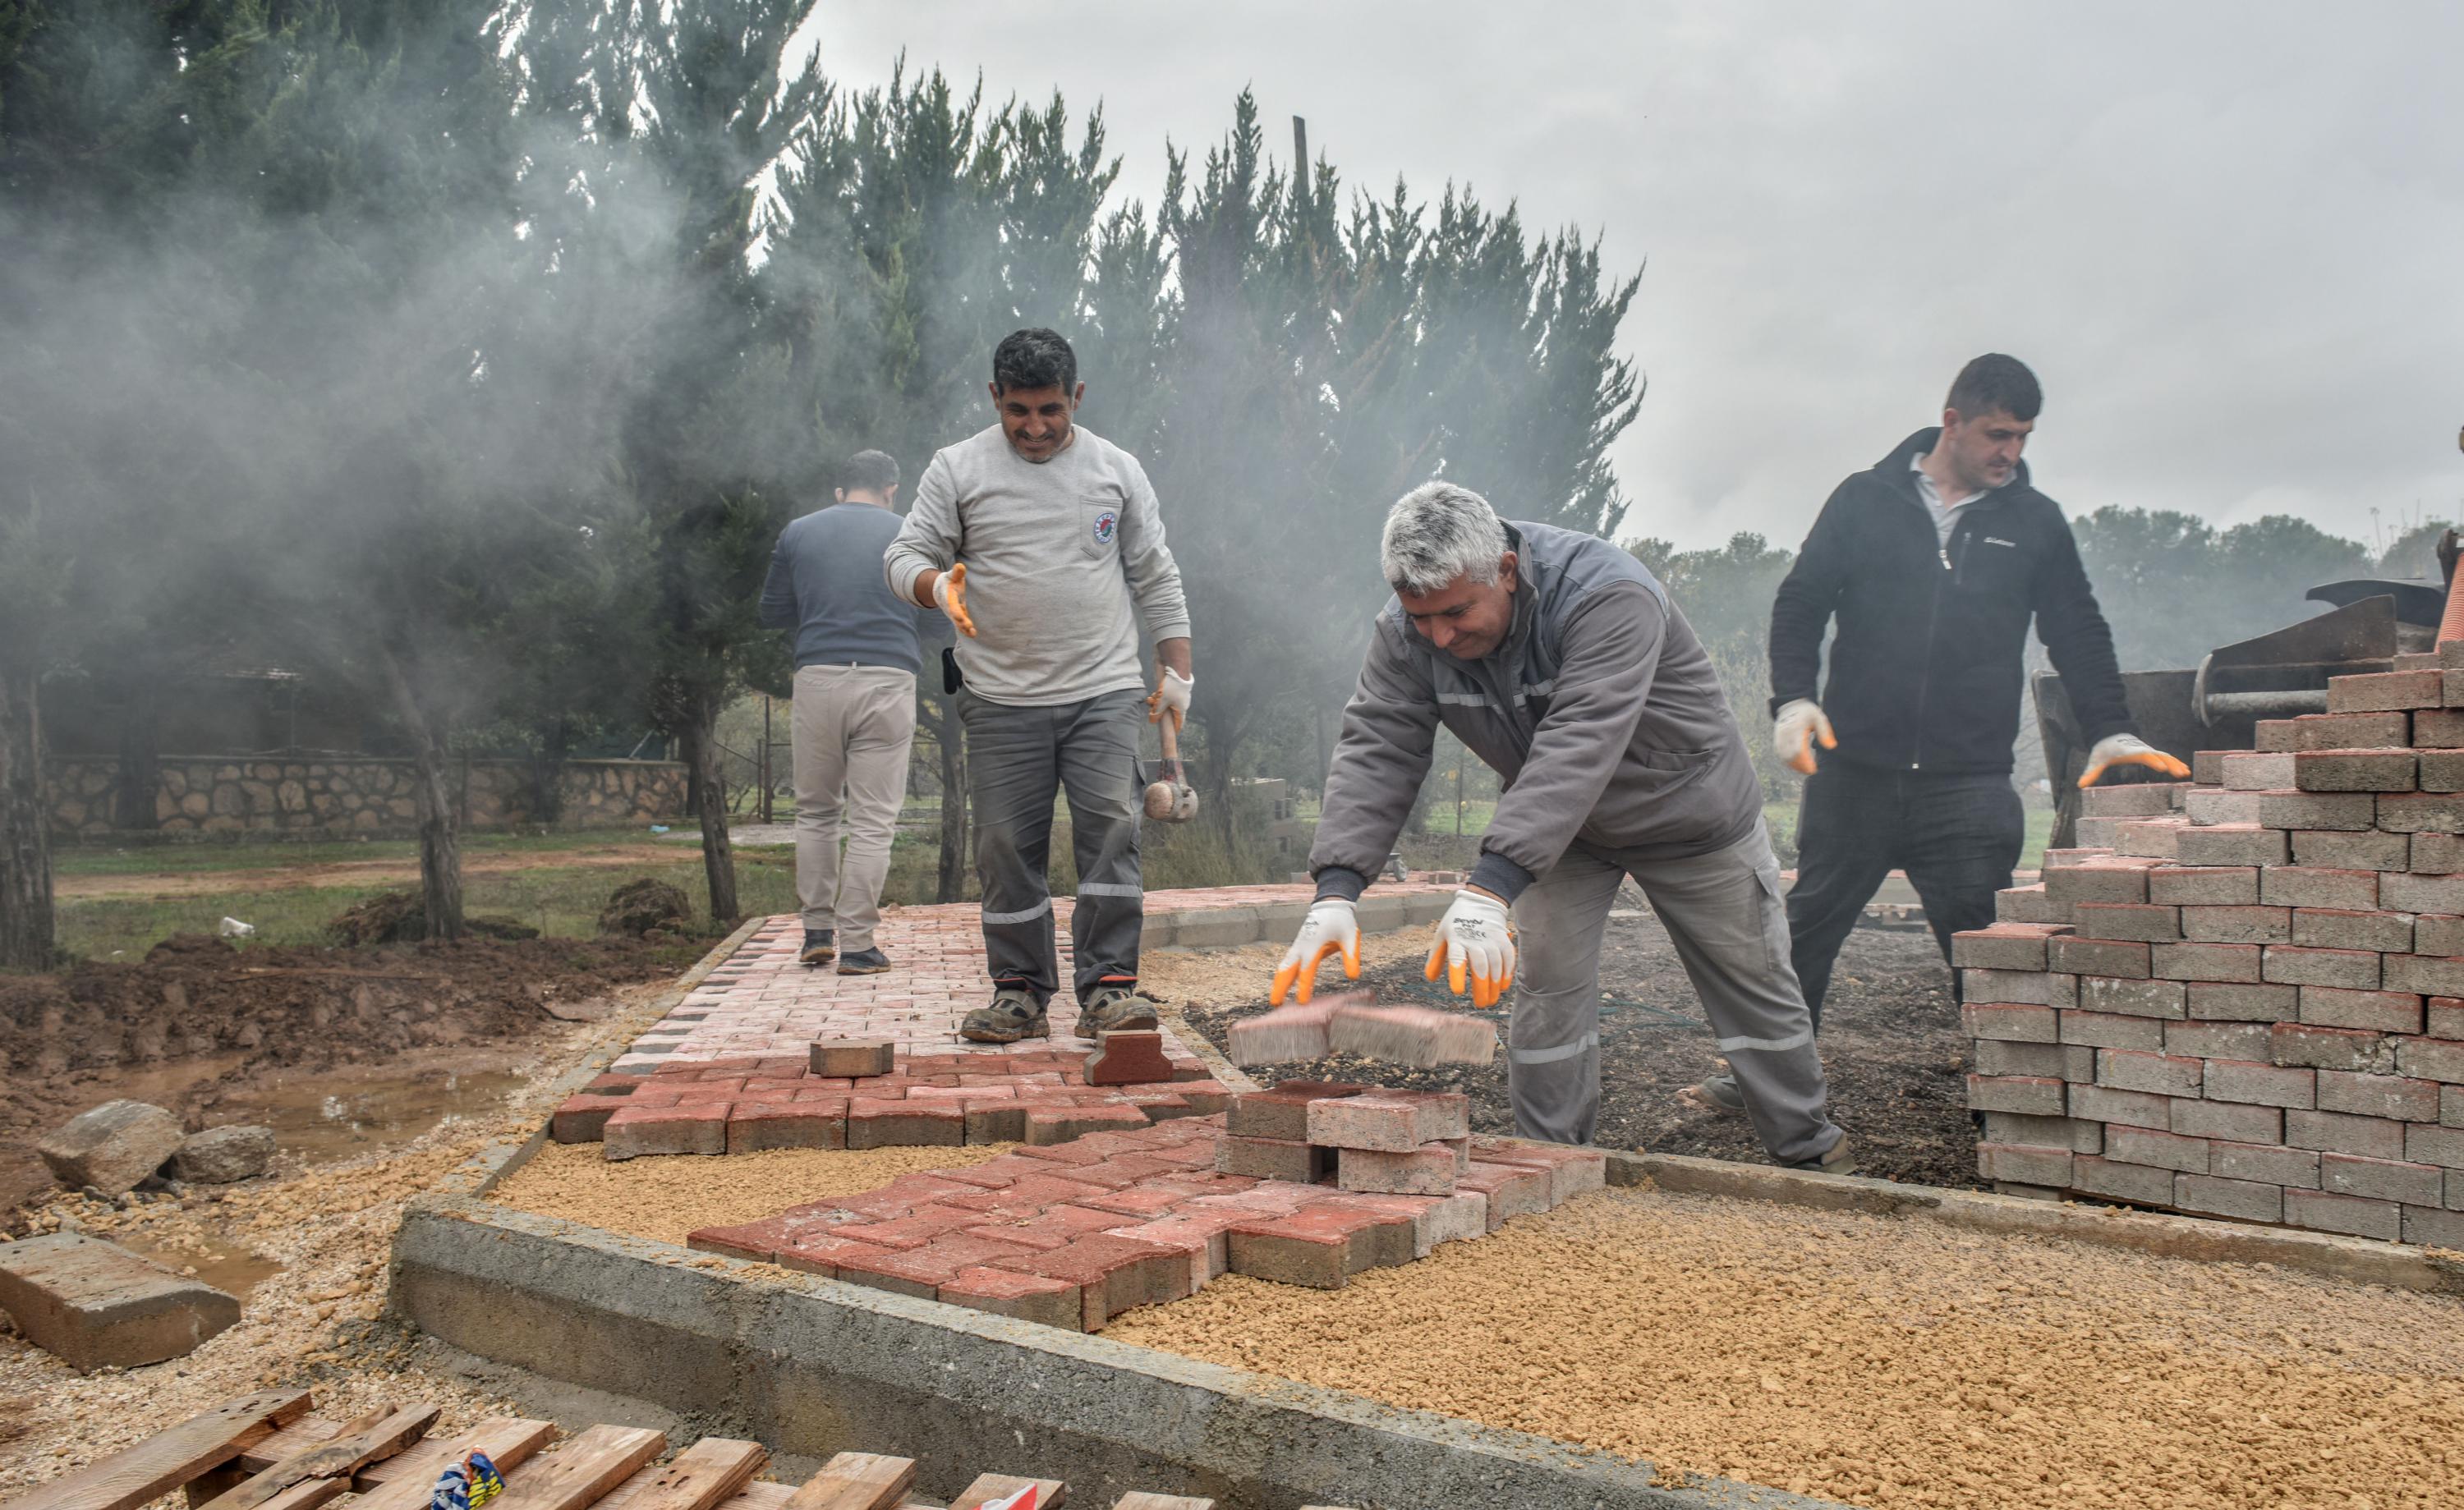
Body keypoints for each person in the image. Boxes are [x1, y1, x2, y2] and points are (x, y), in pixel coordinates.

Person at [1272, 481, 1851, 1170]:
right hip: (1562, 831)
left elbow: (1580, 740)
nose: (1440, 637)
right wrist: (1337, 887)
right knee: (1547, 990)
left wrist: (1488, 889)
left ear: (1508, 573)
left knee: (1753, 983)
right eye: (1421, 618)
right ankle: (1547, 1162)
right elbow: (1379, 745)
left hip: (1689, 811)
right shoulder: (1408, 632)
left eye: (1457, 613)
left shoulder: (1607, 595)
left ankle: (1811, 1154)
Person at [1702, 354, 2186, 1113]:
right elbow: (1800, 603)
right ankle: (1762, 1082)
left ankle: (2020, 1098)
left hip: (1967, 783)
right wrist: (1792, 701)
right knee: (1803, 939)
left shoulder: (2034, 522)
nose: (2012, 453)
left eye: (2024, 438)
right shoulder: (1864, 500)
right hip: (1852, 772)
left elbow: (2079, 630)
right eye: (1999, 434)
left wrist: (2110, 729)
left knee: (1986, 950)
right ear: (1953, 422)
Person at [883, 328, 1194, 1043]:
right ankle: (1018, 991)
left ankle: (1111, 989)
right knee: (1001, 846)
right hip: (998, 698)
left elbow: (1156, 574)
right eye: (1018, 409)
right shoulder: (957, 469)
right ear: (995, 397)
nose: (1035, 426)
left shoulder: (1116, 469)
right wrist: (936, 587)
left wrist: (1177, 673)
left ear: (1076, 397)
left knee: (1112, 832)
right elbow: (903, 555)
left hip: (1105, 691)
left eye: (1051, 409)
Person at [760, 448, 926, 974]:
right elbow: (940, 612)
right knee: (874, 821)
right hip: (889, 679)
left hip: (819, 678)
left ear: (839, 491)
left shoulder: (798, 532)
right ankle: (858, 945)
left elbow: (772, 612)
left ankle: (814, 932)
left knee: (816, 812)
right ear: (891, 489)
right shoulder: (911, 533)